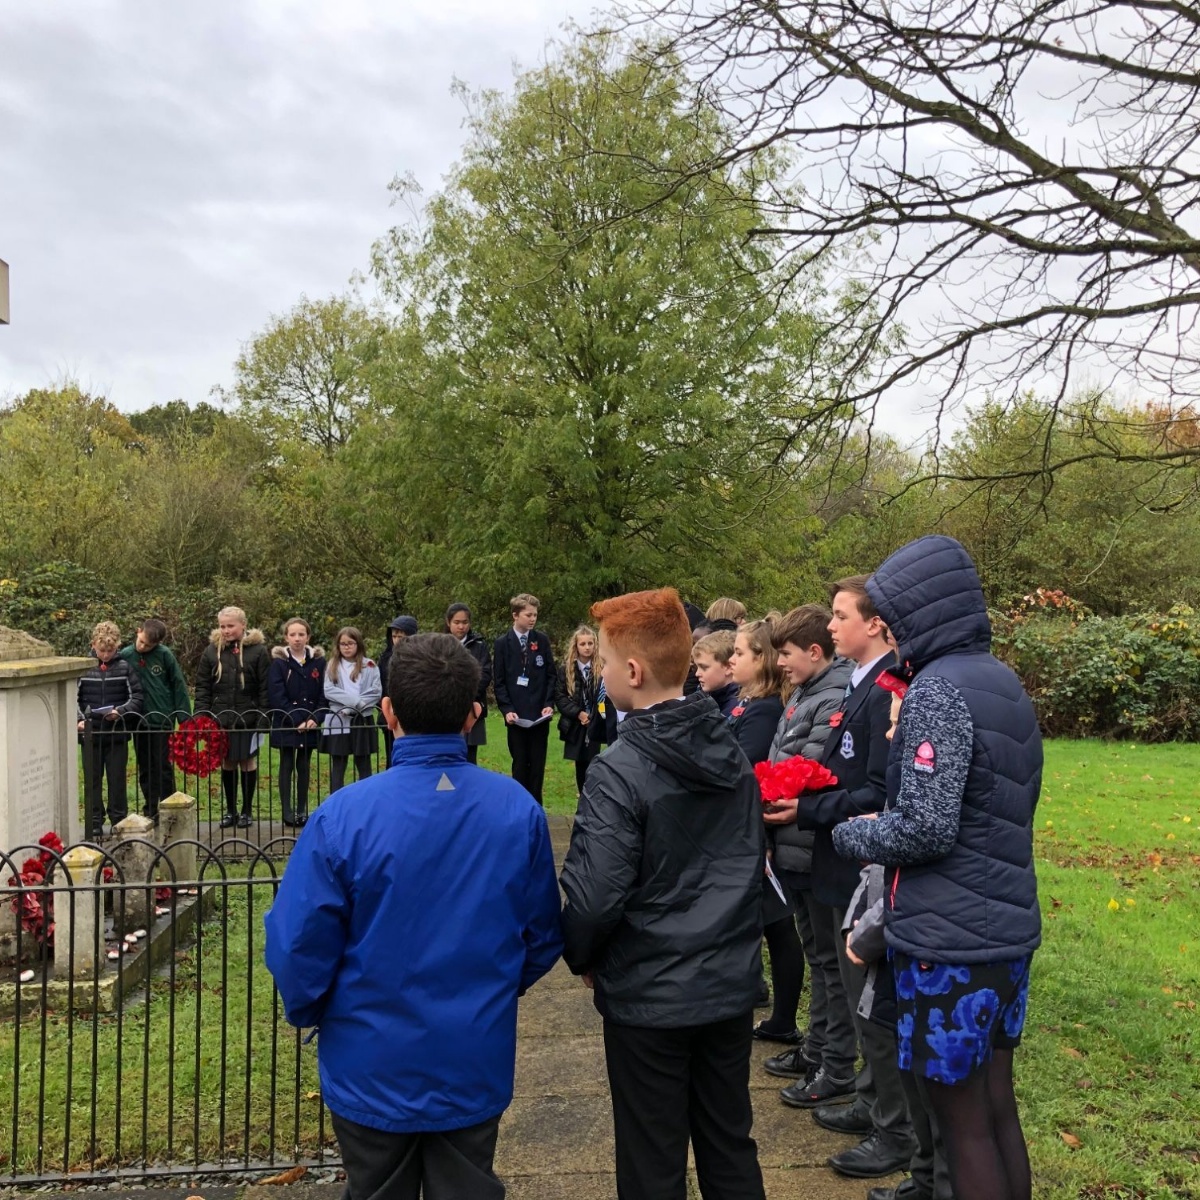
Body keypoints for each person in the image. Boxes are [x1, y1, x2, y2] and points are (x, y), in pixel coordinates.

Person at [265, 633, 563, 1200]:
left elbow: (298, 943)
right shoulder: (516, 810)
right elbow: (542, 934)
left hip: (369, 1058)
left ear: (387, 712)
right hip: (469, 1053)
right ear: (475, 716)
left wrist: (311, 1008)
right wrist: (488, 990)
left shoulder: (343, 816)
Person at [833, 535, 1042, 1200]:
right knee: (997, 1111)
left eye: (894, 618)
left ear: (923, 613)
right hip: (1006, 933)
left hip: (951, 943)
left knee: (964, 1128)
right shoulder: (1003, 682)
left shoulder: (938, 692)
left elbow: (926, 827)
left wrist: (854, 832)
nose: (891, 634)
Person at [560, 587, 766, 1200]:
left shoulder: (618, 769)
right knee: (730, 1143)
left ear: (632, 671)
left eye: (602, 664)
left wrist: (584, 954)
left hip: (651, 992)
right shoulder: (728, 745)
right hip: (724, 982)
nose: (596, 673)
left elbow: (596, 894)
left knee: (652, 1159)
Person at [763, 575, 914, 1181]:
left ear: (874, 624)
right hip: (833, 859)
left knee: (870, 1003)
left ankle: (893, 1130)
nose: (829, 625)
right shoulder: (861, 686)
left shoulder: (885, 690)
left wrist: (808, 808)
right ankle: (873, 1104)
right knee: (854, 995)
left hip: (859, 865)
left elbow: (876, 792)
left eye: (839, 614)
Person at [754, 605, 853, 1052]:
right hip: (793, 842)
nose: (780, 663)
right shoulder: (802, 691)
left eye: (786, 653)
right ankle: (815, 1049)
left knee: (829, 961)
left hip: (812, 844)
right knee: (816, 954)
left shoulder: (831, 698)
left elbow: (805, 769)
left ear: (815, 652)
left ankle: (828, 1058)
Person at [194, 606, 270, 829]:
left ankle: (247, 811)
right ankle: (230, 810)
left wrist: (263, 716)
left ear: (243, 625)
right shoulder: (211, 651)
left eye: (230, 626)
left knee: (247, 761)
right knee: (227, 762)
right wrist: (201, 716)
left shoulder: (258, 651)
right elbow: (203, 687)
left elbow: (265, 688)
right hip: (221, 717)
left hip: (248, 716)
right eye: (222, 626)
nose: (226, 630)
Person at [119, 617, 191, 823]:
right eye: (141, 642)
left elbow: (178, 683)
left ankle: (170, 806)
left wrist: (183, 715)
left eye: (148, 645)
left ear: (157, 644)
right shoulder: (126, 655)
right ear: (137, 631)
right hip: (139, 720)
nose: (143, 647)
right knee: (145, 765)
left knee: (163, 765)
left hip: (162, 718)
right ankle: (150, 808)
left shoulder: (164, 655)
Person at [77, 621, 143, 838]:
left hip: (116, 733)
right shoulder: (83, 667)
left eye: (110, 650)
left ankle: (119, 819)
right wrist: (80, 719)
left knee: (117, 779)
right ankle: (95, 820)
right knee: (92, 779)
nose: (105, 654)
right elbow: (72, 698)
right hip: (91, 733)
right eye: (101, 650)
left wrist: (120, 712)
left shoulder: (125, 667)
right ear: (93, 645)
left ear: (117, 647)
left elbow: (136, 697)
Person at [492, 593, 556, 804]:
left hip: (539, 716)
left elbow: (550, 676)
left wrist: (548, 704)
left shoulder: (541, 640)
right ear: (515, 615)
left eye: (535, 615)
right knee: (520, 764)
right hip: (516, 717)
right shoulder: (503, 643)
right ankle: (520, 807)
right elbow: (499, 681)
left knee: (537, 766)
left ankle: (536, 808)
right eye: (528, 614)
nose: (532, 619)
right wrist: (506, 709)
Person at [268, 618, 326, 828]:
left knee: (304, 765)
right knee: (286, 765)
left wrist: (314, 719)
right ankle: (287, 811)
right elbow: (277, 696)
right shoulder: (279, 664)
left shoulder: (318, 662)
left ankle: (302, 810)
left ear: (308, 637)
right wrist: (296, 719)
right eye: (293, 634)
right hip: (287, 723)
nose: (297, 638)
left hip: (310, 724)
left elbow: (323, 695)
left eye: (301, 634)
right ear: (286, 637)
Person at [323, 627, 381, 793]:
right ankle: (335, 801)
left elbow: (375, 692)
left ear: (358, 644)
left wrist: (353, 709)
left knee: (363, 763)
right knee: (339, 763)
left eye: (350, 643)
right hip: (338, 717)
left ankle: (366, 800)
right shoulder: (332, 665)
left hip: (363, 717)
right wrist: (355, 703)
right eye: (343, 644)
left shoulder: (370, 666)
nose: (346, 647)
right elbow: (329, 690)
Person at [727, 617, 786, 765]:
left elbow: (741, 766)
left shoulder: (765, 709)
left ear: (761, 659)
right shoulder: (753, 700)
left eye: (739, 653)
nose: (731, 660)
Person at [555, 624, 604, 796]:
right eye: (583, 644)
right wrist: (578, 713)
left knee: (594, 763)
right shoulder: (566, 669)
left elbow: (605, 696)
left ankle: (592, 800)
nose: (587, 647)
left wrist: (595, 715)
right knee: (580, 764)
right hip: (575, 724)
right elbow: (560, 697)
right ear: (576, 646)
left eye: (590, 643)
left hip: (595, 722)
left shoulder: (601, 668)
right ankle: (582, 800)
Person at [444, 603, 492, 764]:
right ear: (448, 622)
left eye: (464, 622)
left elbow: (485, 674)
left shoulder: (479, 645)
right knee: (449, 751)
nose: (461, 626)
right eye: (457, 622)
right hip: (447, 707)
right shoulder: (440, 645)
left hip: (472, 706)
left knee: (470, 756)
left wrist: (467, 695)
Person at [377, 615, 418, 765]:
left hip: (412, 714)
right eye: (394, 636)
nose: (397, 640)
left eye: (401, 636)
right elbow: (380, 684)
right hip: (390, 713)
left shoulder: (420, 658)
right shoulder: (386, 658)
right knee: (392, 756)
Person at [692, 629, 739, 717]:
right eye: (696, 667)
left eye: (704, 667)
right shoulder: (705, 694)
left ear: (728, 667)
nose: (697, 673)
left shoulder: (736, 706)